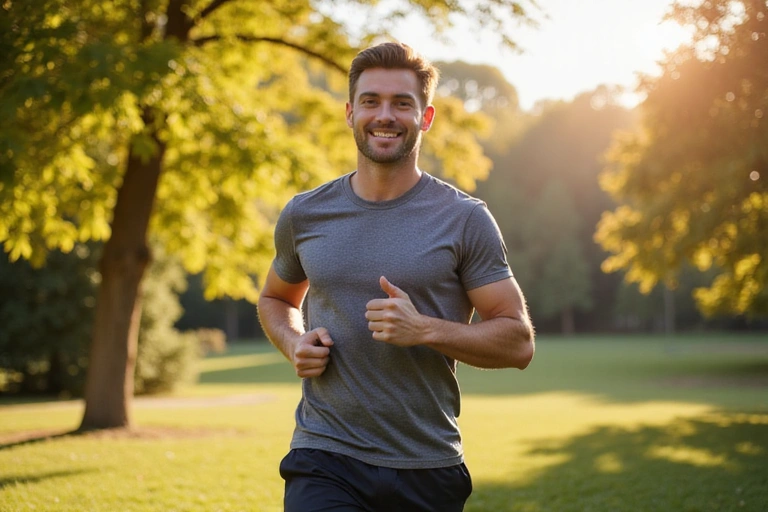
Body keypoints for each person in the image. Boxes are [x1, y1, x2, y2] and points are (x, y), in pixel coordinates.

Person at [258, 41, 535, 512]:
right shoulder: (305, 214)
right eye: (371, 101)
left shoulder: (464, 219)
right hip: (325, 454)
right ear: (350, 113)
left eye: (401, 103)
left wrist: (424, 329)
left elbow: (518, 342)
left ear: (425, 118)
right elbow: (275, 298)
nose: (384, 115)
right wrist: (293, 343)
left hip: (425, 464)